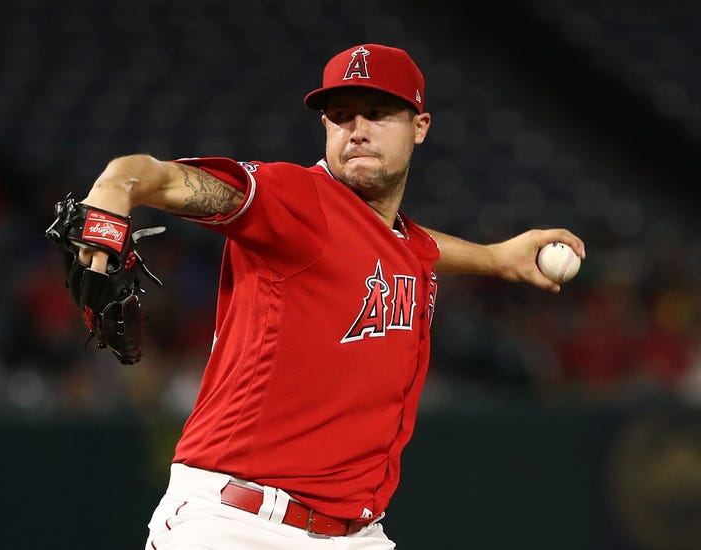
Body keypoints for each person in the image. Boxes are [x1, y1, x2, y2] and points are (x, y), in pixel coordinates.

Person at [74, 44, 585, 549]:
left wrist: (496, 258)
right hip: (237, 524)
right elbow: (164, 180)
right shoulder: (295, 201)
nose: (357, 130)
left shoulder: (400, 241)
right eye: (340, 117)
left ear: (420, 126)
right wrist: (119, 183)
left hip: (358, 534)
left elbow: (412, 245)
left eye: (378, 113)